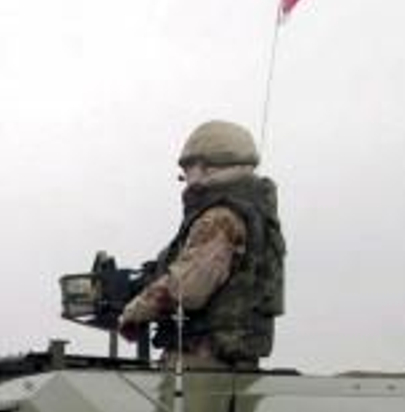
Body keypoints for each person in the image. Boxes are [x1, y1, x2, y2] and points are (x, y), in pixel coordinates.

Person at [117, 120, 286, 369]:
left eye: (187, 171)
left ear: (205, 167)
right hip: (226, 359)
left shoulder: (220, 217)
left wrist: (134, 312)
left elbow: (187, 289)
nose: (186, 180)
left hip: (203, 360)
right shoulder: (252, 212)